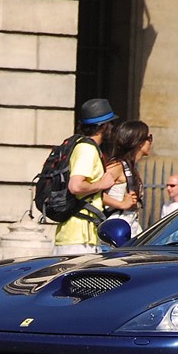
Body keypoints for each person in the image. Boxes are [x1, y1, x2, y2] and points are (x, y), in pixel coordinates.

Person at [52, 98, 122, 255]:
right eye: (110, 123)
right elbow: (75, 186)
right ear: (102, 126)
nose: (111, 127)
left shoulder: (85, 147)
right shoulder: (87, 149)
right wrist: (101, 184)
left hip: (81, 235)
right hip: (78, 238)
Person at [102, 120, 152, 234]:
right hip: (114, 234)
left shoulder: (130, 167)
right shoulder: (117, 167)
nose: (151, 142)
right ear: (139, 142)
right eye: (149, 138)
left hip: (129, 229)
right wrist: (121, 204)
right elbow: (93, 194)